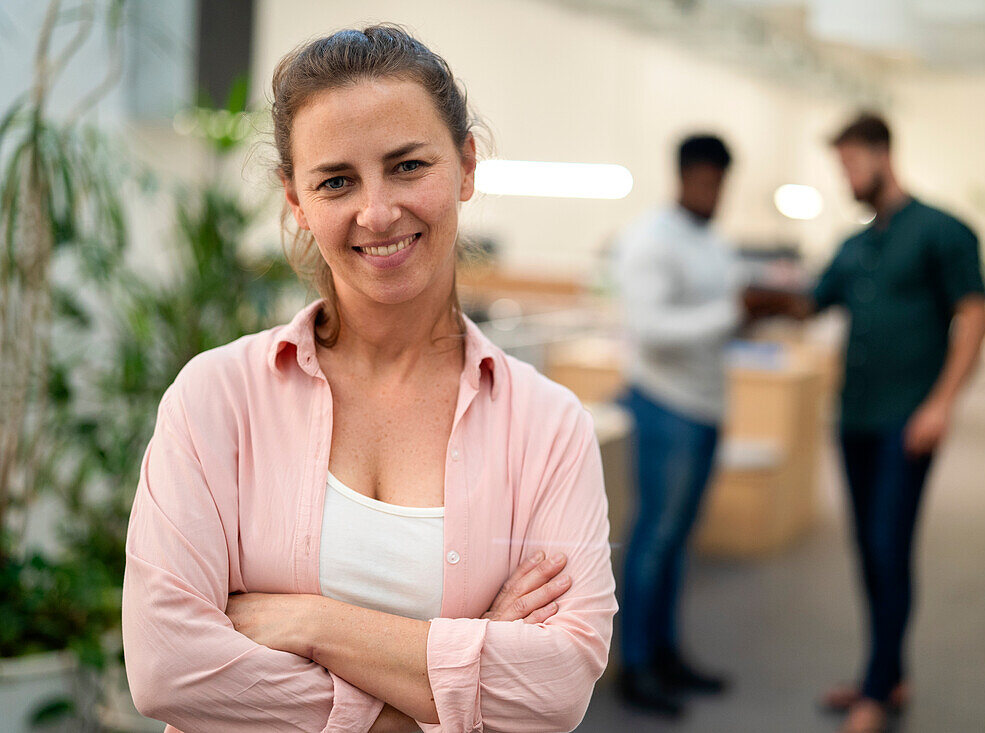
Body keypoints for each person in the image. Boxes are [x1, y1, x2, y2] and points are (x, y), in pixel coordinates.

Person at [121, 26, 616, 733]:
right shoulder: (217, 396)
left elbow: (555, 688)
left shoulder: (547, 424)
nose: (377, 211)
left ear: (467, 166)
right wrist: (426, 701)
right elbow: (169, 667)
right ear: (297, 201)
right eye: (336, 181)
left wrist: (312, 623)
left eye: (408, 165)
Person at [748, 112, 985, 733]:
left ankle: (877, 692)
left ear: (884, 154)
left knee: (889, 545)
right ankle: (888, 673)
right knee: (868, 550)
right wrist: (756, 294)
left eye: (853, 162)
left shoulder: (943, 231)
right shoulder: (856, 247)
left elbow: (975, 318)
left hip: (906, 420)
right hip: (854, 418)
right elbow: (812, 303)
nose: (847, 176)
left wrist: (942, 404)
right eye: (841, 165)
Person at [613, 134, 742, 716]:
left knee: (677, 544)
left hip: (707, 406)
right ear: (686, 175)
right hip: (666, 405)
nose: (716, 193)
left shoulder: (711, 241)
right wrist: (736, 314)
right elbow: (650, 327)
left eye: (722, 183)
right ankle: (635, 665)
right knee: (654, 540)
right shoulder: (651, 238)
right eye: (709, 181)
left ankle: (666, 652)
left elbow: (713, 317)